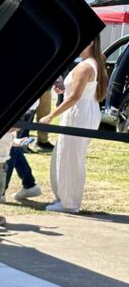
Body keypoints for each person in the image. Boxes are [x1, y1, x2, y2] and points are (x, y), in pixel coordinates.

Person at [42, 37, 108, 213]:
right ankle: (65, 198)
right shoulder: (93, 63)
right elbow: (76, 92)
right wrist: (64, 88)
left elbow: (74, 97)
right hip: (85, 112)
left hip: (79, 114)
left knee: (70, 158)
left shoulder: (86, 65)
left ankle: (69, 202)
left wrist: (50, 115)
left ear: (92, 42)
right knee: (67, 156)